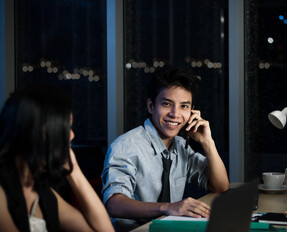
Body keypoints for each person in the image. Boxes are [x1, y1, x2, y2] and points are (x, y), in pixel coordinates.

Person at [101, 67, 229, 231]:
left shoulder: (181, 145)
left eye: (184, 106)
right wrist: (167, 207)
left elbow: (220, 186)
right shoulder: (126, 146)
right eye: (167, 104)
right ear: (151, 106)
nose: (175, 114)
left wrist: (207, 142)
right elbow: (114, 203)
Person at [0, 83, 114, 232]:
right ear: (37, 132)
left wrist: (74, 170)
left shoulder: (40, 191)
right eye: (65, 127)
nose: (72, 135)